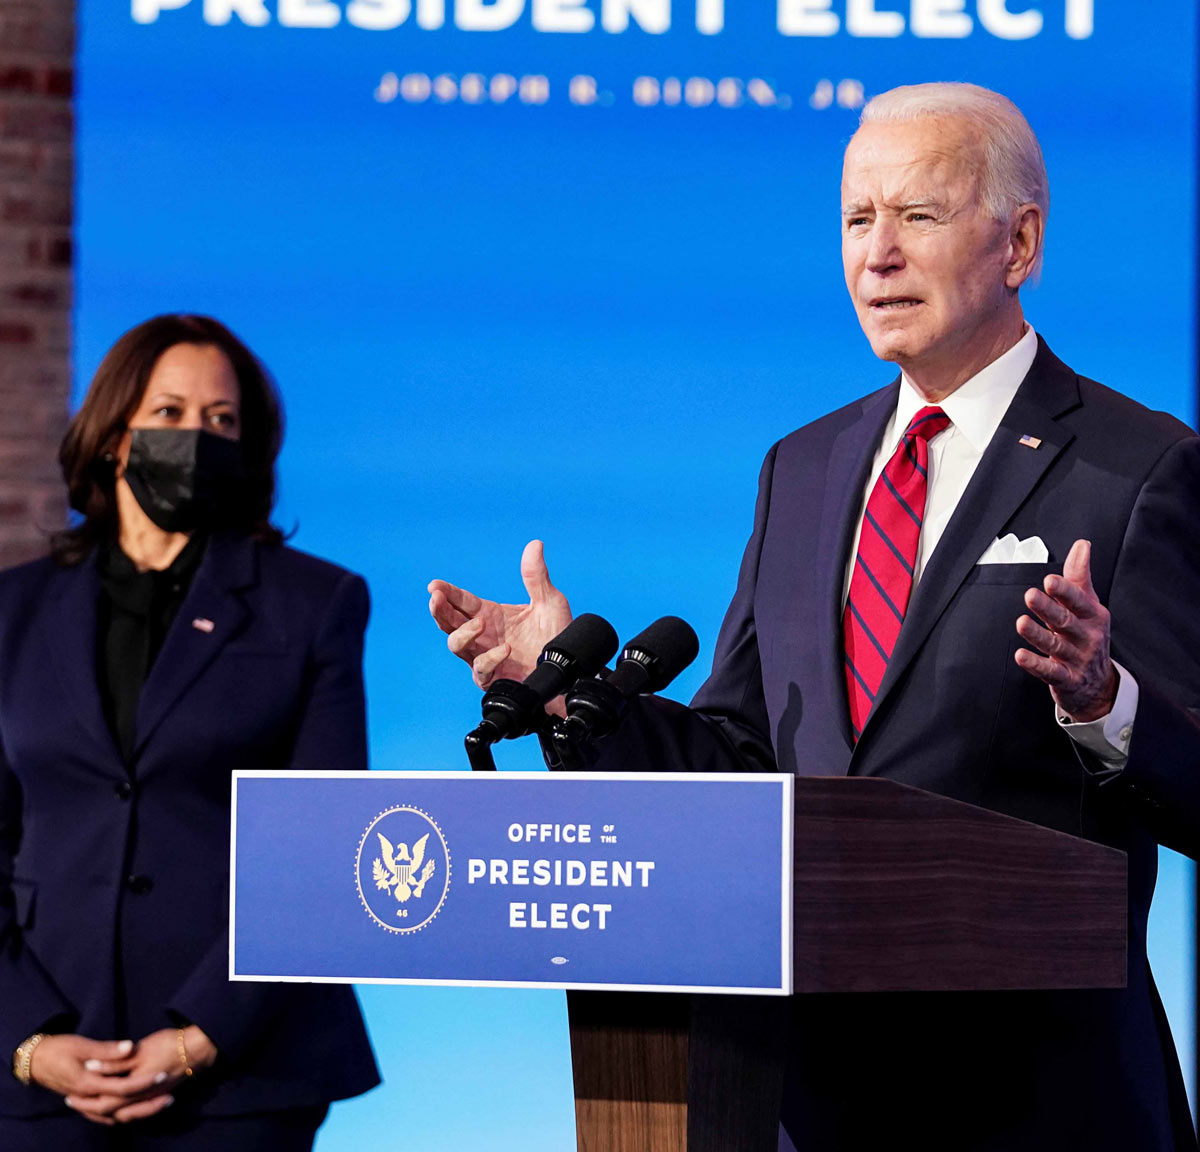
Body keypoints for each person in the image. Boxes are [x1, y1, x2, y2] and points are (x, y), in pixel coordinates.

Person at [429, 84, 1200, 1150]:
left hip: (1037, 1098)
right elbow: (743, 749)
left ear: (1020, 243)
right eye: (855, 219)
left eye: (917, 217)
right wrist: (570, 694)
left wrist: (1104, 702)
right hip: (800, 1098)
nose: (875, 254)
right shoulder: (804, 465)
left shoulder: (1139, 466)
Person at [0, 315, 380, 1149]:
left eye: (221, 421)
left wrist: (199, 1036)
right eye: (168, 413)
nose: (194, 436)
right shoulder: (12, 611)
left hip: (241, 1078)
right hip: (37, 1076)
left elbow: (324, 849)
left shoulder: (314, 605)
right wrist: (28, 1040)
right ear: (111, 435)